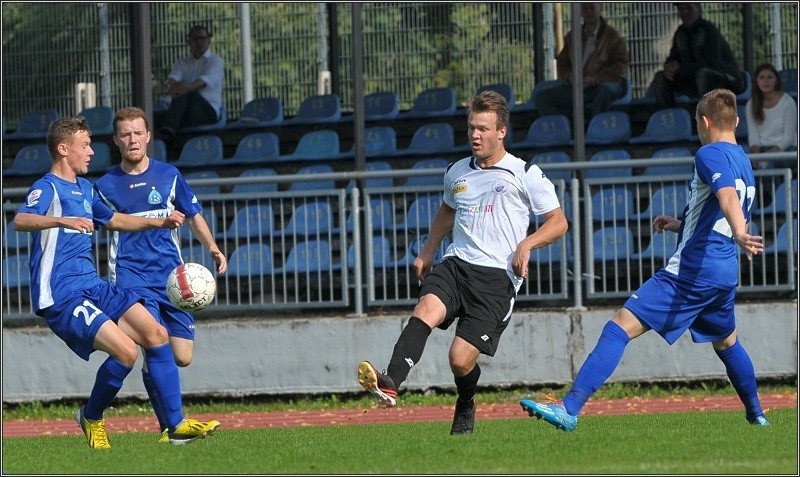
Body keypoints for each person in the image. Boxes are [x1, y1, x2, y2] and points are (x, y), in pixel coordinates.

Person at [520, 88, 770, 432]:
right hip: (725, 268)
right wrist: (681, 225)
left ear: (705, 121)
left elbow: (727, 196)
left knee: (619, 326)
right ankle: (757, 414)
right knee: (727, 341)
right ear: (737, 121)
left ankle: (569, 407)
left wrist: (741, 230)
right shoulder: (742, 158)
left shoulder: (709, 153)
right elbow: (720, 210)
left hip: (694, 268)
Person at [357, 90, 569, 435]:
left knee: (459, 358)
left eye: (483, 128)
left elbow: (559, 222)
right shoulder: (456, 172)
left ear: (502, 131)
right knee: (425, 308)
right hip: (456, 265)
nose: (475, 135)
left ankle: (466, 401)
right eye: (472, 127)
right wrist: (427, 251)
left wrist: (527, 244)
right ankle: (391, 380)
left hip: (497, 279)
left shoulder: (525, 173)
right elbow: (446, 211)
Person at [13, 116, 221, 449]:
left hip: (92, 286)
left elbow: (113, 220)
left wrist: (159, 221)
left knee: (156, 334)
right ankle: (91, 416)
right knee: (126, 353)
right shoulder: (47, 187)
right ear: (63, 149)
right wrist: (60, 219)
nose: (91, 152)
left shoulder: (84, 189)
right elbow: (20, 219)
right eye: (85, 145)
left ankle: (176, 425)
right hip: (62, 294)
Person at [94, 106, 228, 443]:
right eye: (125, 134)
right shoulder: (105, 185)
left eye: (138, 132)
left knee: (181, 357)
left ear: (148, 136)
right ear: (116, 140)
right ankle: (171, 427)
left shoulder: (169, 174)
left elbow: (193, 214)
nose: (132, 139)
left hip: (173, 281)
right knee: (157, 344)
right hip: (131, 280)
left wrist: (211, 247)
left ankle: (168, 417)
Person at [533, 2, 629, 121]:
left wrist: (595, 79)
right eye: (584, 8)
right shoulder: (572, 36)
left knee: (605, 91)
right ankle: (565, 128)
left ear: (600, 9)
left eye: (592, 8)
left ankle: (596, 128)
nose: (588, 12)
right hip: (577, 86)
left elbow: (620, 67)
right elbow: (562, 61)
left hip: (603, 85)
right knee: (542, 98)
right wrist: (569, 76)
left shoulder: (614, 37)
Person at [651, 3, 743, 108]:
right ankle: (670, 118)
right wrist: (669, 67)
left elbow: (712, 63)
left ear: (699, 10)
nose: (685, 12)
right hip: (693, 81)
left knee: (703, 74)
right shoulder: (680, 33)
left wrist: (682, 69)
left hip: (725, 80)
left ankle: (708, 118)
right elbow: (674, 57)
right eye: (681, 9)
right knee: (660, 77)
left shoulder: (709, 30)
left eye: (689, 8)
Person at [155, 24, 224, 140]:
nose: (199, 42)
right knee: (151, 117)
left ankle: (167, 134)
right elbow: (172, 81)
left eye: (203, 38)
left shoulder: (215, 61)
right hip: (185, 112)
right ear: (189, 42)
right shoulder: (181, 63)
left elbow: (202, 83)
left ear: (209, 40)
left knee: (188, 94)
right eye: (195, 39)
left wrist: (184, 88)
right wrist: (175, 88)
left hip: (208, 112)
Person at [745, 62, 798, 162]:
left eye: (770, 77)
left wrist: (767, 157)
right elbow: (753, 137)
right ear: (756, 81)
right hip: (762, 150)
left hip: (786, 150)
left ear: (776, 81)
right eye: (761, 77)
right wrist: (757, 157)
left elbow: (788, 138)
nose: (766, 81)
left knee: (769, 165)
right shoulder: (751, 104)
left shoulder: (788, 102)